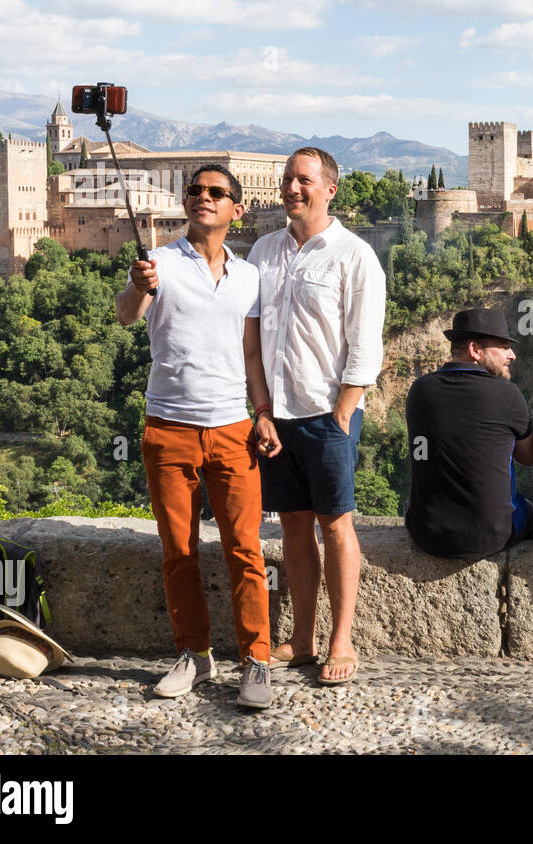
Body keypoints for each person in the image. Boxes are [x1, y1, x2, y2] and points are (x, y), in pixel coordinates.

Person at [116, 164, 273, 710]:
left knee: (245, 549)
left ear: (237, 209)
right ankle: (194, 655)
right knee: (179, 551)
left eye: (215, 192)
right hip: (168, 426)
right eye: (195, 190)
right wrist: (138, 287)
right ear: (185, 203)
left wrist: (263, 412)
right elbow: (126, 316)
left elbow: (251, 353)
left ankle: (256, 661)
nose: (203, 197)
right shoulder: (158, 263)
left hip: (232, 427)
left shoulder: (249, 276)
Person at [247, 147, 386, 686]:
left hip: (328, 415)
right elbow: (251, 341)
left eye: (303, 180)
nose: (291, 188)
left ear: (330, 189)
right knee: (293, 526)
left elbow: (365, 345)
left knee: (336, 524)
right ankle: (303, 638)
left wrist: (344, 414)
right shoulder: (264, 250)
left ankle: (341, 639)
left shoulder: (354, 255)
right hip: (276, 416)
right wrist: (261, 410)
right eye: (287, 179)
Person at [405, 307, 533, 558]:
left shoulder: (419, 389)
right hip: (491, 537)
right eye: (503, 346)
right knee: (529, 510)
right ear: (475, 350)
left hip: (426, 533)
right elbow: (528, 457)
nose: (512, 355)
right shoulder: (506, 393)